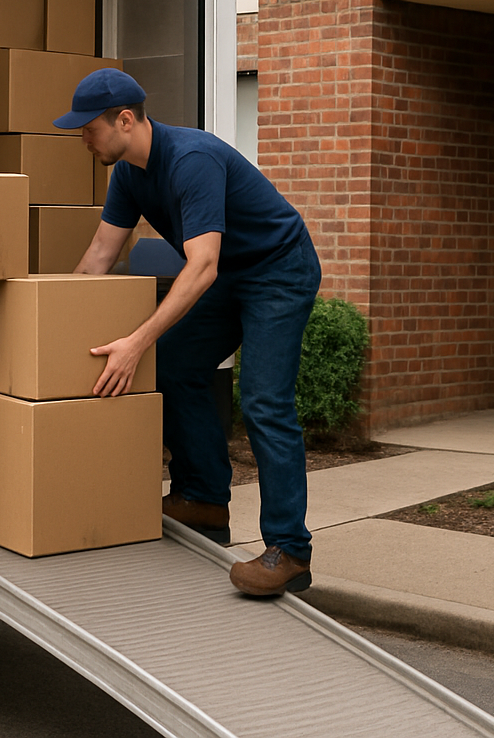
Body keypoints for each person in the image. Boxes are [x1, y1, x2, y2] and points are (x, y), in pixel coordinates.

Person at [54, 68, 321, 597]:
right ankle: (202, 499)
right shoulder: (129, 174)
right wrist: (52, 324)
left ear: (124, 120)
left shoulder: (190, 160)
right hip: (228, 273)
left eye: (88, 127)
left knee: (264, 401)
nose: (82, 137)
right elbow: (99, 258)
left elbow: (200, 267)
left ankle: (289, 550)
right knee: (174, 367)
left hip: (277, 269)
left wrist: (136, 340)